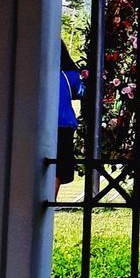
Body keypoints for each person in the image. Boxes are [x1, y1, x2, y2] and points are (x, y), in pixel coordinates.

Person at [56, 40, 85, 192]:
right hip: (64, 124)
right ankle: (50, 201)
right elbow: (81, 92)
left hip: (38, 125)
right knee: (59, 167)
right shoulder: (70, 75)